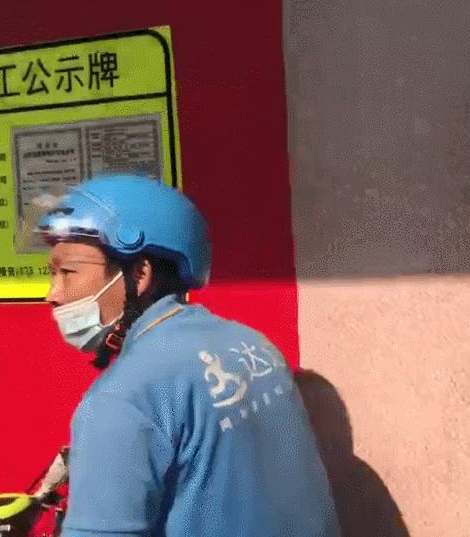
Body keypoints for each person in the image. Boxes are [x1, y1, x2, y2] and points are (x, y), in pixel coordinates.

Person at [36, 174, 340, 537]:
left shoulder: (121, 399)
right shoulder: (253, 344)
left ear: (139, 274)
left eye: (68, 272)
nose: (53, 294)